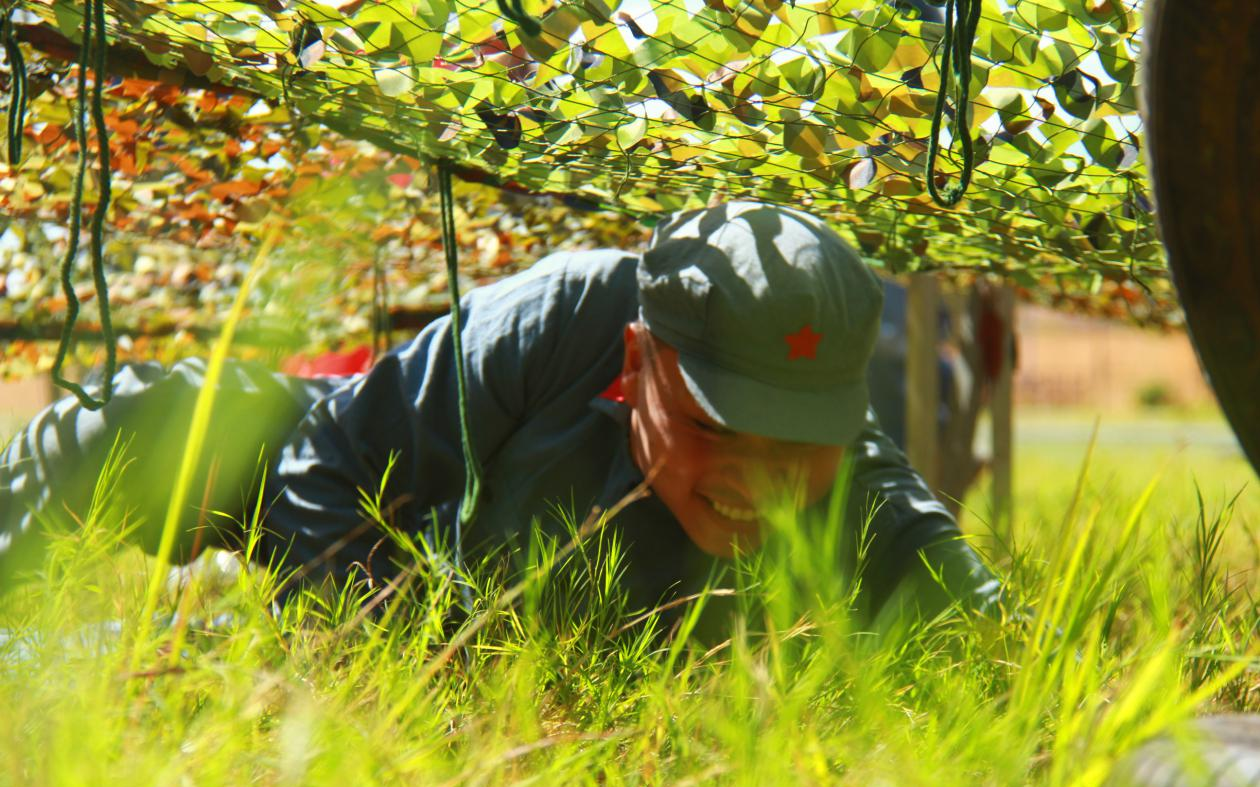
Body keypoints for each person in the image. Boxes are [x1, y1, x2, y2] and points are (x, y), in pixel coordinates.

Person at [0, 202, 998, 624]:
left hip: (487, 597)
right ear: (641, 361)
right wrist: (360, 643)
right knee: (124, 425)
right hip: (381, 511)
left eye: (801, 441)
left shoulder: (861, 484)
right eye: (719, 428)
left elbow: (985, 627)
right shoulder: (567, 313)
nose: (759, 480)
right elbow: (332, 458)